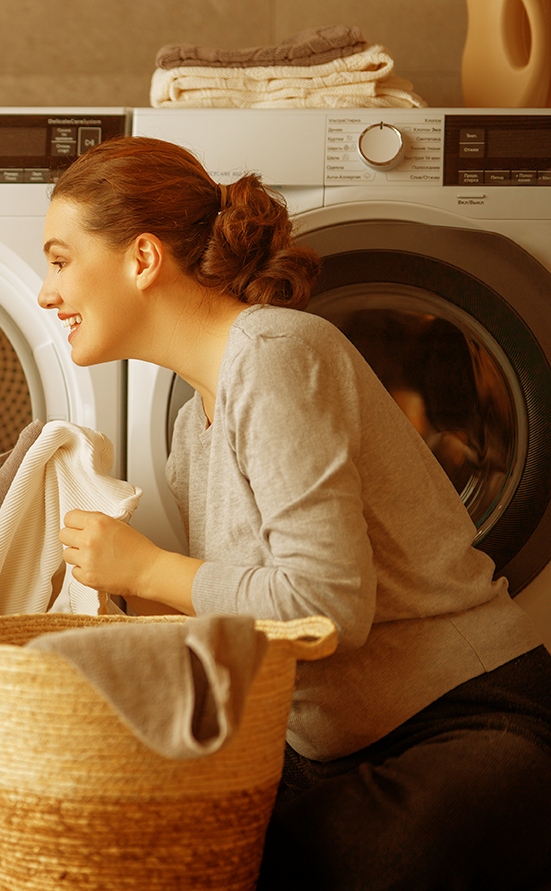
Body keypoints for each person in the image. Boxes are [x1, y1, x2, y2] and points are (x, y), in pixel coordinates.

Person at [38, 136, 551, 890]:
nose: (46, 294)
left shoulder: (277, 351)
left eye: (59, 259)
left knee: (315, 858)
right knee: (156, 840)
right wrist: (123, 592)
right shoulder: (191, 428)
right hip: (328, 751)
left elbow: (327, 608)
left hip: (471, 725)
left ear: (142, 259)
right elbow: (249, 614)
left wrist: (148, 565)